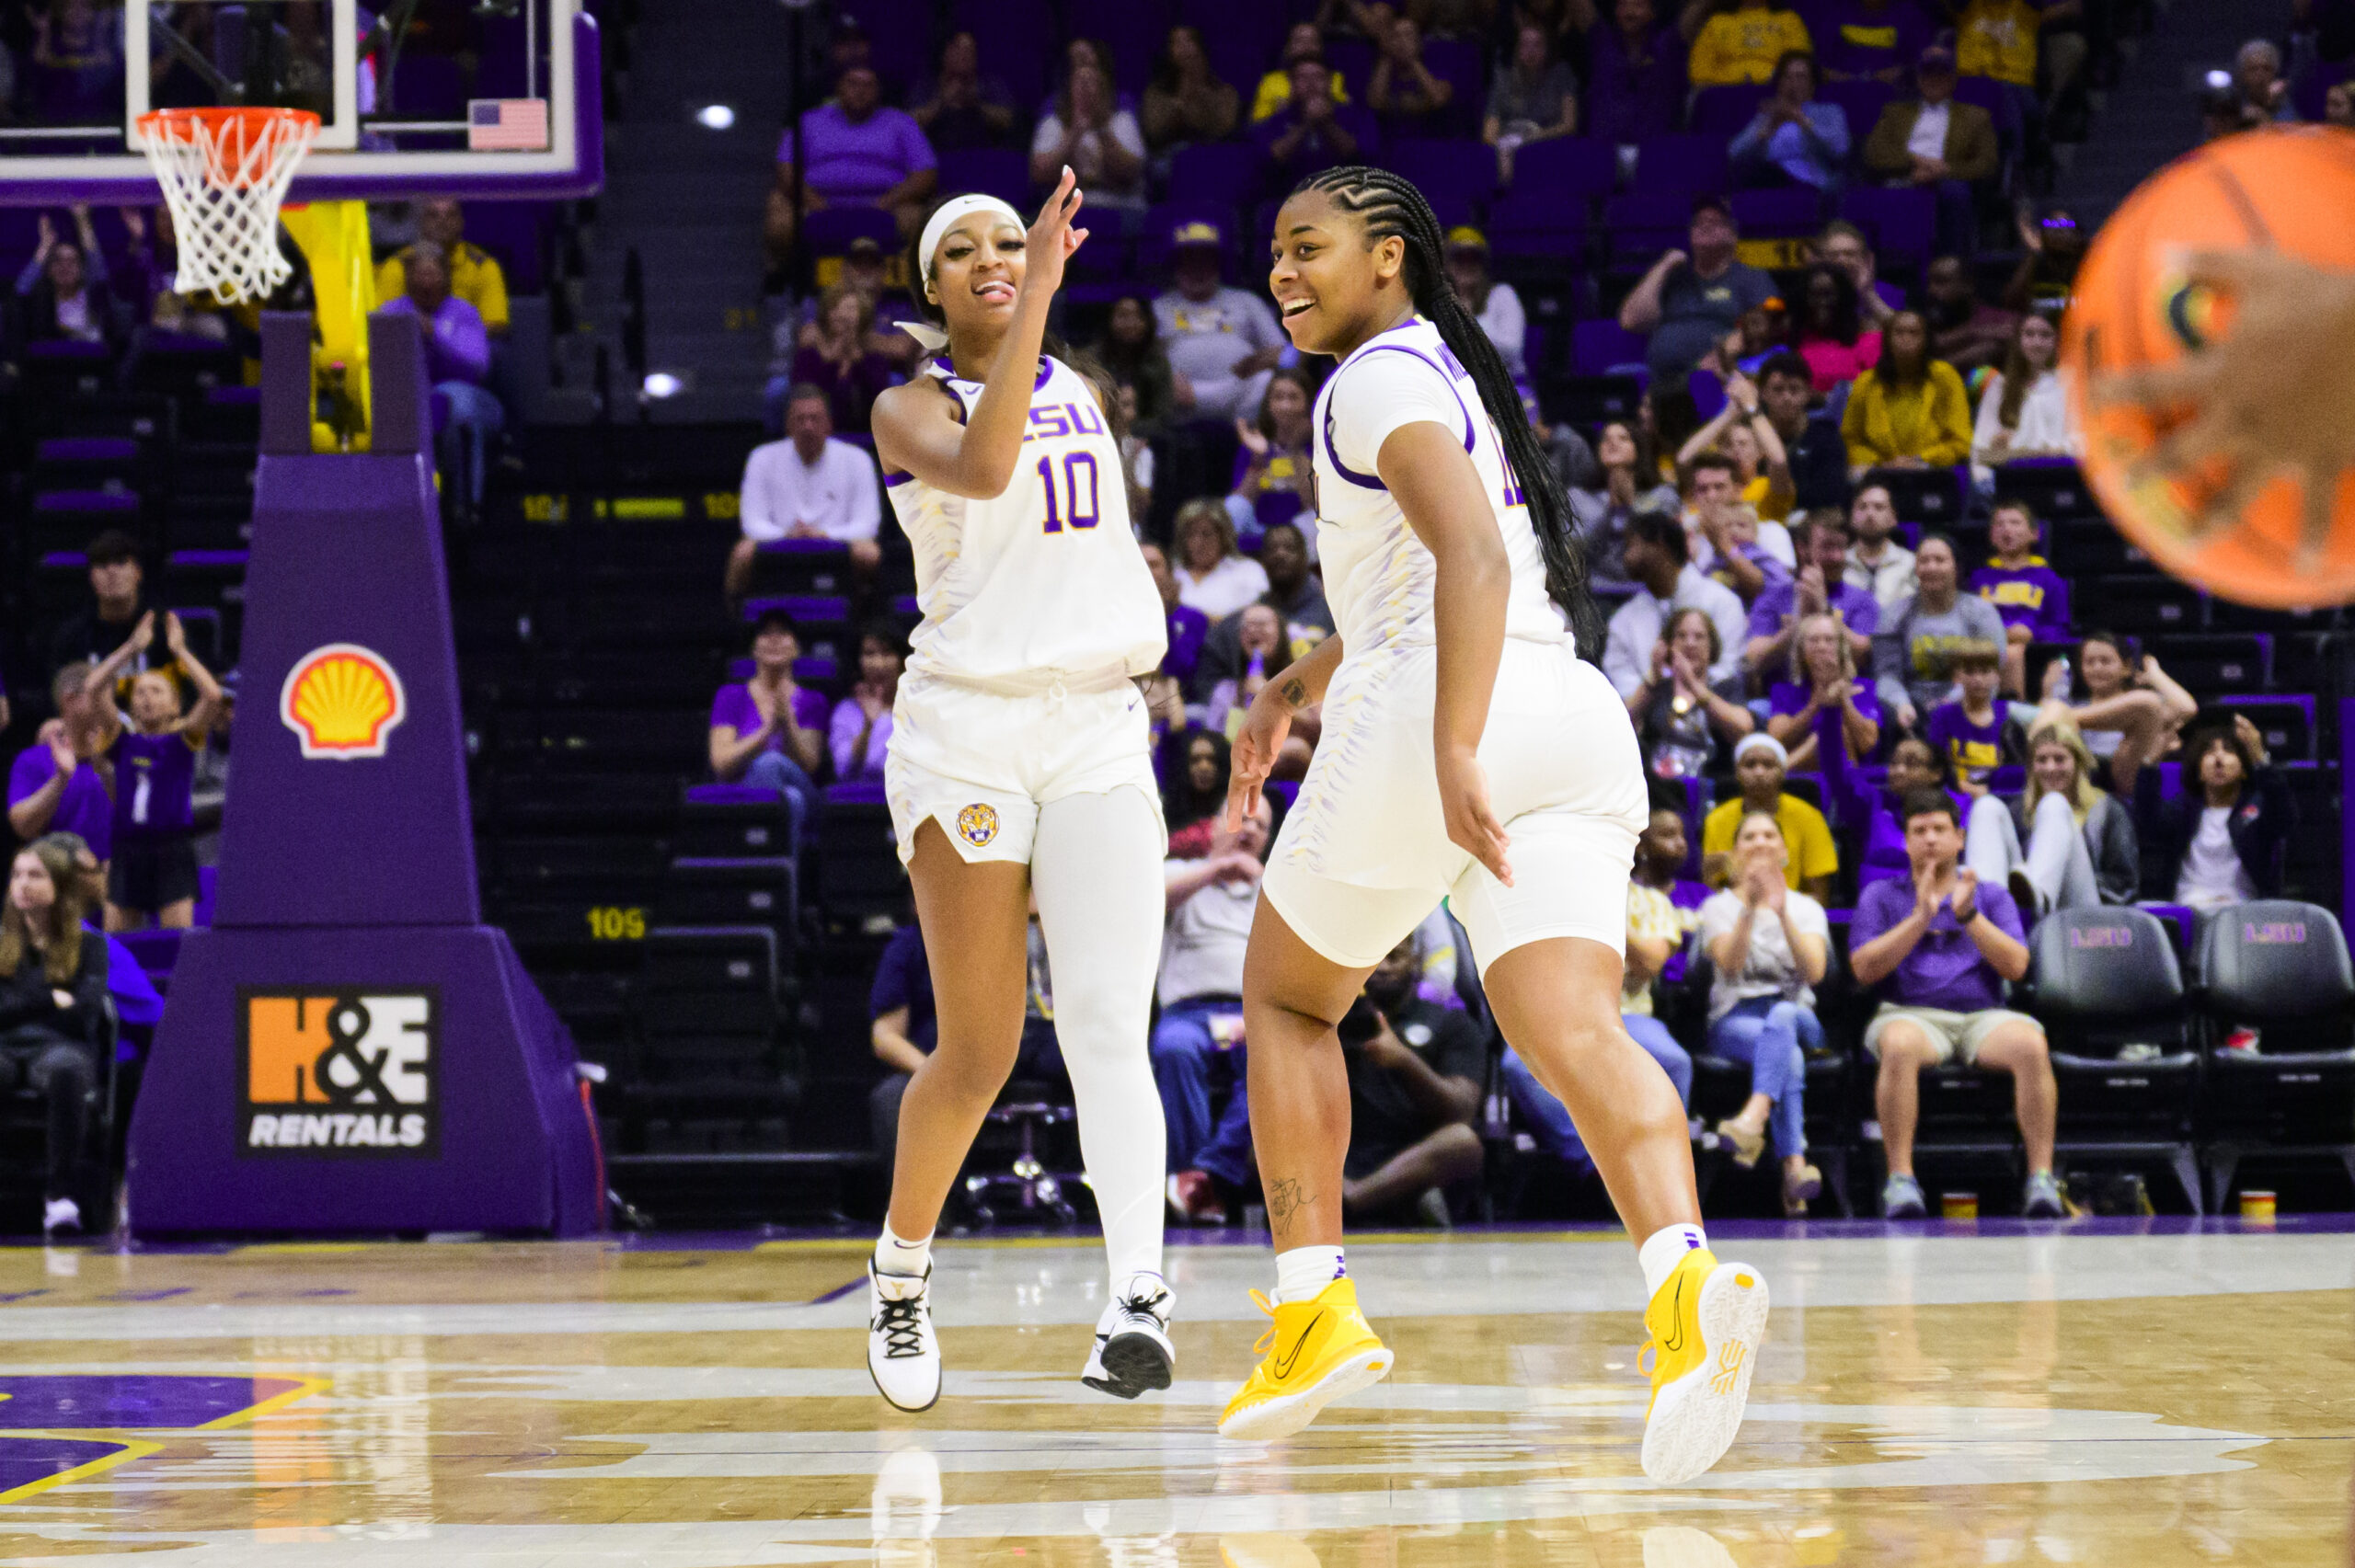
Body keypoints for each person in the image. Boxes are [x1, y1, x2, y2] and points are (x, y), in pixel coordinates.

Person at [1218, 164, 1765, 1481]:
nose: (1284, 274)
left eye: (1310, 248)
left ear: (1390, 253)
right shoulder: (1443, 372)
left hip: (1448, 708)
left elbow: (1460, 561)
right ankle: (1684, 1288)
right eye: (1276, 253)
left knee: (1290, 1000)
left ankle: (1312, 1308)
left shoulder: (1371, 380)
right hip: (1571, 712)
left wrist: (1451, 744)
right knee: (1573, 1029)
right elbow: (1437, 571)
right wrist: (1295, 681)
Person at [861, 177, 1177, 1411]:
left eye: (1014, 240)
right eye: (969, 249)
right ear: (930, 287)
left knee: (1106, 1021)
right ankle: (900, 1275)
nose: (997, 257)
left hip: (1096, 719)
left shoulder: (1082, 391)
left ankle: (1136, 1300)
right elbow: (989, 471)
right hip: (970, 733)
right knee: (982, 1049)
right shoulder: (905, 406)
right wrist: (1043, 285)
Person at [1849, 790, 2062, 1220]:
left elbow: (2017, 966)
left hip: (1982, 1016)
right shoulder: (1880, 895)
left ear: (1959, 837)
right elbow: (1863, 970)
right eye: (1919, 831)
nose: (1929, 839)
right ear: (1906, 841)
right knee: (1899, 1043)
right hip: (1908, 1014)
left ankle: (2041, 1178)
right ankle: (1901, 1181)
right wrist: (1919, 919)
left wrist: (1969, 917)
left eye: (1939, 829)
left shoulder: (1991, 895)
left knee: (2031, 1043)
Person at [1500, 807, 1698, 1168]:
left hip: (1628, 1016)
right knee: (1517, 1065)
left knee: (1675, 1061)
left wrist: (1600, 911)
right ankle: (1597, 1161)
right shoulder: (1545, 894)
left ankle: (1661, 1165)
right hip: (1560, 1015)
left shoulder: (1651, 900)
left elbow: (1651, 963)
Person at [1153, 794, 1276, 1226]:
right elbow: (1148, 904)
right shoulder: (1179, 873)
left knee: (1271, 1055)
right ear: (1214, 825)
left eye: (1259, 825)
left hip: (1250, 1014)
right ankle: (1194, 1183)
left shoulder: (1273, 888)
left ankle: (1205, 1176)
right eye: (1240, 818)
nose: (1248, 830)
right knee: (1176, 1050)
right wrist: (1216, 871)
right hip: (1188, 1014)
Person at [1699, 812, 1827, 1215]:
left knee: (1785, 1017)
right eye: (1749, 837)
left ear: (1785, 852)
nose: (1760, 842)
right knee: (1783, 1052)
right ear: (1735, 853)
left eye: (1770, 835)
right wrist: (1750, 909)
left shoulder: (1807, 908)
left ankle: (1752, 1119)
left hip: (1798, 1015)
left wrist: (1782, 910)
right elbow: (1731, 965)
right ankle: (1794, 1168)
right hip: (1738, 1018)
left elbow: (1815, 973)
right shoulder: (1716, 908)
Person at [1333, 931, 1487, 1225]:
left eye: (1394, 956)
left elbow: (1461, 1112)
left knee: (1461, 1142)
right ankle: (1349, 1198)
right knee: (1264, 1141)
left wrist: (1404, 1061)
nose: (1383, 967)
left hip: (1414, 1157)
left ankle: (1350, 1201)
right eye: (1375, 958)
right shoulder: (1330, 1019)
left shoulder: (1452, 1023)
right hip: (1343, 1153)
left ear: (1415, 960)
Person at [85, 614, 220, 933]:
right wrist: (131, 648)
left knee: (176, 944)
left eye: (157, 691)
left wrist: (180, 650)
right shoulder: (122, 741)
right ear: (131, 705)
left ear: (176, 706)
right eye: (141, 692)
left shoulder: (182, 742)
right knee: (120, 947)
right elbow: (92, 688)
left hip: (171, 848)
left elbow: (212, 696)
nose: (147, 698)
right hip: (128, 848)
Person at [0, 838, 108, 1238]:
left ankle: (60, 1197)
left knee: (67, 1070)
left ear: (58, 886)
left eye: (35, 875)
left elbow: (85, 1016)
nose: (23, 884)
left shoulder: (90, 946)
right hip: (6, 1047)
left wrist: (20, 1002)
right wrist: (50, 998)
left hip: (58, 1047)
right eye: (17, 875)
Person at [1965, 718, 2138, 916]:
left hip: (2084, 915)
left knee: (2054, 804)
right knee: (1986, 806)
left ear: (2078, 763)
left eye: (2059, 759)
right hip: (2017, 913)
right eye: (2041, 760)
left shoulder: (2108, 810)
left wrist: (2060, 872)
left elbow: (2125, 886)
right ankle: (1987, 911)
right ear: (2031, 767)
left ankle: (2039, 897)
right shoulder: (2017, 810)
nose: (2050, 768)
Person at [726, 384, 885, 598]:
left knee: (870, 553)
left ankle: (867, 622)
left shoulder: (857, 460)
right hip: (781, 541)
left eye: (815, 418)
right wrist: (787, 535)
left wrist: (823, 535)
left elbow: (867, 526)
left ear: (829, 423)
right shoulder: (762, 458)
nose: (807, 426)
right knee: (742, 552)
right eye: (800, 419)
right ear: (788, 425)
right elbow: (751, 524)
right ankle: (742, 623)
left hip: (835, 543)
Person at [379, 241, 502, 514]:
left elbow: (478, 367)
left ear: (446, 278)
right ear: (408, 278)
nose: (426, 282)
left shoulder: (465, 313)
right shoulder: (390, 312)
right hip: (407, 396)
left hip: (468, 396)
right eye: (420, 274)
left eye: (433, 273)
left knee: (453, 404)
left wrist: (435, 335)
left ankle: (464, 503)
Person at [769, 63, 939, 258]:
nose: (860, 91)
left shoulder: (902, 123)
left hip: (888, 205)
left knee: (919, 219)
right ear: (838, 88)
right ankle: (781, 281)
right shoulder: (808, 121)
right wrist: (815, 203)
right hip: (816, 203)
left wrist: (887, 202)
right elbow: (785, 169)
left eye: (868, 85)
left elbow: (926, 174)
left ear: (879, 91)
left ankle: (907, 285)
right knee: (780, 213)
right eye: (853, 83)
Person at [2140, 715, 2295, 912]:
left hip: (2242, 913)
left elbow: (2284, 815)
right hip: (2187, 912)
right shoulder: (2182, 811)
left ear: (2244, 770)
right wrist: (2152, 759)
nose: (2219, 759)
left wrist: (2259, 757)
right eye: (2210, 752)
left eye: (2228, 751)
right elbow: (2146, 818)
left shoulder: (2257, 812)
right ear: (2199, 770)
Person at [1620, 197, 1778, 383]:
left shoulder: (1750, 276)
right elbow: (1631, 321)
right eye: (1698, 223)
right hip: (1663, 380)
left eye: (1715, 222)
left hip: (1720, 377)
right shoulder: (1672, 277)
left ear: (1732, 235)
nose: (1705, 226)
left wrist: (1726, 349)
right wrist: (1663, 265)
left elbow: (1774, 315)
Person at [1861, 45, 1998, 257]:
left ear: (1953, 79)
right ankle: (1888, 264)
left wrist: (1944, 170)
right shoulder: (1894, 112)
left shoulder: (1977, 116)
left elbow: (1987, 163)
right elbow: (1874, 152)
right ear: (1918, 78)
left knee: (1955, 193)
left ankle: (1953, 263)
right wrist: (1916, 162)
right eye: (1928, 73)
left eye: (1941, 73)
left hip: (1948, 180)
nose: (1934, 79)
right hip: (1904, 175)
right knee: (1876, 193)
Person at [709, 608, 829, 848]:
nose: (774, 638)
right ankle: (779, 880)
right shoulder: (730, 695)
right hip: (740, 791)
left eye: (783, 633)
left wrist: (788, 725)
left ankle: (755, 848)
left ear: (796, 648)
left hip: (804, 791)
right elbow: (721, 764)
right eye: (765, 633)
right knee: (791, 801)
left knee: (770, 763)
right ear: (754, 648)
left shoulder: (812, 700)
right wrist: (766, 732)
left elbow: (810, 766)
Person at [1603, 510, 1751, 698]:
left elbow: (1727, 673)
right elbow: (1622, 688)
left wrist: (1686, 686)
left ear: (1659, 545)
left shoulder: (1723, 602)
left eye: (1631, 545)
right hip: (1646, 721)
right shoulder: (1624, 619)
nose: (1625, 557)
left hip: (1714, 717)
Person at [1872, 532, 2007, 734]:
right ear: (1916, 568)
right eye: (1924, 561)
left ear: (1956, 567)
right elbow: (1887, 676)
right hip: (1909, 711)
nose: (1931, 567)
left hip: (1967, 704)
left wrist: (1950, 704)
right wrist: (1901, 704)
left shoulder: (1981, 612)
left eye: (1940, 560)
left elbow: (1991, 672)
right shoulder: (1894, 614)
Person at [1154, 221, 1288, 424]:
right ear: (1177, 265)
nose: (1197, 269)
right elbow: (1144, 355)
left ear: (1218, 264)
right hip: (1180, 396)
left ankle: (1247, 438)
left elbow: (1284, 352)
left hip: (1241, 395)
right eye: (1190, 260)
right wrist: (1163, 378)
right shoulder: (1158, 307)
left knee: (1267, 379)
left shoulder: (1247, 300)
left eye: (1205, 261)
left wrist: (1258, 361)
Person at [2038, 629, 2196, 796]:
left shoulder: (2141, 708)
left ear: (2126, 667)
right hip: (2083, 783)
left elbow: (2186, 708)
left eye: (2105, 661)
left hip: (2128, 782)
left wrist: (2155, 675)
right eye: (2089, 662)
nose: (2097, 668)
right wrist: (2048, 692)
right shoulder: (2075, 706)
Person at [1191, 521, 1336, 701]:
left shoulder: (1332, 614)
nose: (1280, 554)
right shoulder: (1246, 619)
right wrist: (1232, 693)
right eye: (1272, 549)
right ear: (1261, 560)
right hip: (1253, 712)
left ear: (1305, 557)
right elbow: (1208, 676)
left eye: (1289, 548)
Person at [1700, 732, 1839, 898]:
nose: (1759, 772)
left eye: (1768, 765)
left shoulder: (1810, 817)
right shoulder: (1716, 820)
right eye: (1750, 765)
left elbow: (1819, 895)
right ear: (1737, 772)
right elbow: (1710, 886)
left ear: (1782, 772)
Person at [1746, 510, 1878, 678]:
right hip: (1783, 696)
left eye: (1841, 547)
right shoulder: (1774, 597)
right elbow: (1753, 659)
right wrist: (1797, 625)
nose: (1837, 557)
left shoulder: (1862, 600)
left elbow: (1863, 655)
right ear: (1802, 548)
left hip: (1845, 694)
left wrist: (1824, 610)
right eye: (1827, 547)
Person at [1842, 310, 1972, 477]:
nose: (1906, 339)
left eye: (1914, 333)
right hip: (1878, 473)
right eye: (1899, 332)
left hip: (1931, 472)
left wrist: (1920, 460)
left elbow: (1961, 441)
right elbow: (1850, 440)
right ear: (1887, 339)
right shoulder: (1866, 382)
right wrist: (1881, 463)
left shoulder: (1945, 376)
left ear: (1926, 340)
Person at [1628, 606, 1754, 779]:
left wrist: (1693, 684)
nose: (1690, 643)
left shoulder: (1726, 686)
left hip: (1713, 785)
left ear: (1712, 646)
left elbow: (1744, 727)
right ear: (1668, 644)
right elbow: (1623, 723)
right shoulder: (1656, 689)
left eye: (1699, 636)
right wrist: (1652, 679)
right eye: (1681, 636)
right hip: (1660, 789)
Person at [7, 668, 115, 869]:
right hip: (57, 877)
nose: (109, 707)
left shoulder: (122, 753)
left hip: (118, 879)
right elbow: (22, 827)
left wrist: (106, 769)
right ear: (70, 700)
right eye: (100, 697)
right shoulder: (33, 759)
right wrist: (61, 779)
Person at [47, 530, 175, 686]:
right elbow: (65, 700)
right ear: (91, 578)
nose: (112, 572)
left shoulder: (165, 631)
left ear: (138, 573)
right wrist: (131, 647)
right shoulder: (71, 638)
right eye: (102, 565)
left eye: (121, 562)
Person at [1969, 500, 2070, 697]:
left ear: (2034, 533)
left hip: (2033, 653)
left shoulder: (2049, 579)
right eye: (1999, 524)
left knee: (2014, 653)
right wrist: (2002, 634)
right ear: (1991, 536)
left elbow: (2059, 628)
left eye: (2015, 523)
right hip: (1986, 649)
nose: (2007, 529)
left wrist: (2033, 634)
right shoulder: (1979, 578)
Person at [1970, 310, 2078, 491]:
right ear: (2018, 340)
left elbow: (2083, 440)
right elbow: (1980, 446)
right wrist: (1986, 480)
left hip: (2063, 479)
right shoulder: (1999, 387)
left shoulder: (2071, 383)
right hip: (2014, 483)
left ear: (2058, 340)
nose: (2036, 342)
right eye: (2029, 334)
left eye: (2045, 335)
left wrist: (2057, 451)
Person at [1570, 420, 1682, 595]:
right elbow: (1578, 553)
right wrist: (1610, 511)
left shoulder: (1662, 495)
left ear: (1638, 448)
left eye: (1623, 438)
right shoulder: (1578, 498)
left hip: (1650, 591)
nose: (1613, 443)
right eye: (1606, 439)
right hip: (1597, 591)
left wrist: (1630, 504)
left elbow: (1663, 543)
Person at [376, 198, 510, 338]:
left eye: (450, 215)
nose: (442, 221)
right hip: (410, 343)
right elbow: (383, 321)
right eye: (433, 215)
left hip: (465, 347)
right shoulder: (399, 265)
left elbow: (496, 324)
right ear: (421, 223)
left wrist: (445, 335)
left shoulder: (484, 266)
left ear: (461, 222)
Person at [1765, 610, 1880, 770]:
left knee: (1832, 731)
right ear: (1801, 649)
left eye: (1829, 640)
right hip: (1800, 777)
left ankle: (1777, 771)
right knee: (1827, 731)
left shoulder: (1862, 688)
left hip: (1853, 775)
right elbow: (1776, 740)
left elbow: (1867, 743)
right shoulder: (1784, 690)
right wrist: (1815, 704)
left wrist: (1844, 700)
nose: (1821, 647)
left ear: (1841, 647)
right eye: (1813, 640)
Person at [1678, 376, 1795, 532]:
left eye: (1743, 444)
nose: (1736, 450)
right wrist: (1729, 414)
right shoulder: (1706, 487)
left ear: (1760, 452)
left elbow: (1779, 461)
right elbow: (1684, 459)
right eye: (1728, 445)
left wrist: (1751, 407)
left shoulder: (1766, 487)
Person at [1031, 63, 1148, 214]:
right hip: (1068, 209)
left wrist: (1102, 130)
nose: (1086, 89)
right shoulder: (1053, 124)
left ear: (1104, 91)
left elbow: (1131, 172)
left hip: (1120, 207)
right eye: (1080, 82)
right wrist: (1075, 133)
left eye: (1093, 83)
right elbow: (1040, 174)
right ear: (1069, 90)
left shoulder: (1122, 121)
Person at [1924, 640, 2037, 795]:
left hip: (2000, 799)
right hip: (1952, 798)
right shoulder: (1942, 716)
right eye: (1970, 672)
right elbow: (1936, 767)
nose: (1978, 679)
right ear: (1957, 676)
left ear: (1997, 675)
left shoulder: (2009, 714)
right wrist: (1969, 789)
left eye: (1985, 671)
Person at [1729, 50, 1850, 191]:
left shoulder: (1829, 112)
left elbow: (1841, 149)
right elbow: (1734, 153)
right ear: (1779, 83)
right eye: (1787, 77)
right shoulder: (1767, 115)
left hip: (1813, 188)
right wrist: (1767, 128)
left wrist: (1803, 120)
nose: (1793, 83)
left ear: (1812, 84)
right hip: (1767, 184)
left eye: (1801, 77)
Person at [867, 917, 938, 1155]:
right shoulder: (907, 946)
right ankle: (936, 1194)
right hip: (934, 1067)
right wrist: (936, 1075)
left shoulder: (1003, 935)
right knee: (893, 1098)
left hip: (1012, 1057)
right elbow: (885, 1037)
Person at [790, 283, 900, 437]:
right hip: (818, 434)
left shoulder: (874, 356)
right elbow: (804, 395)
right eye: (835, 308)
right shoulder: (809, 354)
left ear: (863, 316)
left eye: (850, 309)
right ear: (826, 314)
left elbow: (878, 400)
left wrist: (857, 361)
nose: (842, 315)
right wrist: (831, 361)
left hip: (868, 432)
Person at [1227, 371, 1321, 544]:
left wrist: (1296, 447)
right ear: (1268, 404)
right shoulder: (1254, 444)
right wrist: (1259, 457)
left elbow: (1313, 505)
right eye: (1278, 397)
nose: (1285, 406)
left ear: (1307, 403)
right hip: (1260, 524)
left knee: (1313, 522)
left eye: (1293, 398)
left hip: (1298, 529)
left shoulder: (1318, 447)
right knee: (1232, 507)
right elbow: (1241, 501)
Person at [1255, 56, 1380, 184]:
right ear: (1292, 84)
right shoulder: (1277, 119)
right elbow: (1271, 160)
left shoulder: (1354, 115)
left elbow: (1356, 156)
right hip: (1289, 196)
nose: (1311, 84)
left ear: (1330, 81)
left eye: (1318, 76)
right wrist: (1306, 124)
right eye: (1302, 77)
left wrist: (1327, 124)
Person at [1581, 0, 1688, 144]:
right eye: (1622, 5)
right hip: (1603, 153)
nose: (1629, 12)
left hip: (1657, 154)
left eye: (1638, 5)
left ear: (1653, 13)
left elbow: (1699, 8)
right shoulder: (1602, 43)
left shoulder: (1669, 47)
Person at [1752, 350, 1849, 509]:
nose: (1787, 398)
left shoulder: (1827, 437)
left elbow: (1831, 493)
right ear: (1762, 393)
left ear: (1808, 393)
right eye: (1778, 389)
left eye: (1794, 389)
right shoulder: (1749, 436)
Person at [1485, 19, 1579, 181]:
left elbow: (1569, 125)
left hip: (1549, 149)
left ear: (1547, 49)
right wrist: (1505, 147)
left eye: (1537, 45)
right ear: (1517, 49)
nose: (1531, 51)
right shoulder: (1503, 79)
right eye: (1525, 44)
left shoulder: (1562, 74)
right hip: (1508, 151)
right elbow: (1489, 133)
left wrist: (1533, 138)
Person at [16, 207, 117, 348]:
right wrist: (44, 247)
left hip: (90, 362)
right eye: (58, 260)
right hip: (51, 363)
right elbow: (21, 291)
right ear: (49, 269)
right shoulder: (42, 301)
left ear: (82, 269)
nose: (65, 267)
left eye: (72, 261)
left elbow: (97, 267)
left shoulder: (93, 294)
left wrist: (82, 221)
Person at [909, 30, 1018, 153]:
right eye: (958, 49)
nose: (964, 55)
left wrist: (976, 103)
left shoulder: (989, 84)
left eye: (969, 50)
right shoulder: (927, 85)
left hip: (982, 157)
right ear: (946, 53)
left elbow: (1007, 121)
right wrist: (942, 102)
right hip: (936, 157)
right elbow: (911, 124)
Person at [1141, 24, 1239, 158]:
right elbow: (1153, 131)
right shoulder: (1157, 92)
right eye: (1177, 43)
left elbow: (1226, 128)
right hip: (1169, 157)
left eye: (1189, 41)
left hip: (1213, 154)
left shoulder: (1223, 91)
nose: (1184, 49)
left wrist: (1203, 96)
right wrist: (1179, 105)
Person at [831, 622, 906, 789]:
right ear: (858, 662)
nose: (879, 664)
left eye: (887, 653)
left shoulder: (919, 707)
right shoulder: (846, 711)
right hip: (859, 803)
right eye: (870, 654)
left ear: (901, 660)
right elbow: (843, 771)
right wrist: (867, 726)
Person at [1442, 229, 1524, 379]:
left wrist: (1468, 318)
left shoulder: (1502, 295)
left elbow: (1511, 349)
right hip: (1456, 384)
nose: (1467, 265)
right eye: (1459, 258)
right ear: (1447, 264)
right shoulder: (1439, 304)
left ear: (1484, 263)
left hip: (1506, 384)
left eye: (1474, 258)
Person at [1171, 498, 1272, 619]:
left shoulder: (1248, 570)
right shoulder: (1173, 573)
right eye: (1191, 535)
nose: (1198, 542)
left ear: (1223, 537)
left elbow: (1256, 616)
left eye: (1206, 534)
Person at [1790, 263, 1882, 395]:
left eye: (1828, 294)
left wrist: (1823, 398)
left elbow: (1877, 391)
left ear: (1843, 297)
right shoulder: (1794, 336)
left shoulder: (1868, 339)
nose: (1822, 302)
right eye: (1814, 295)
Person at [1687, 0, 1813, 86]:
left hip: (1775, 93)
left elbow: (1801, 66)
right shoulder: (1717, 22)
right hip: (1723, 94)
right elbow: (1699, 74)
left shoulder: (1789, 20)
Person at [1250, 22, 1354, 121]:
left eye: (1313, 41)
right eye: (1299, 40)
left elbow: (1349, 118)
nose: (1307, 46)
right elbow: (1256, 127)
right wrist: (1280, 115)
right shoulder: (1271, 82)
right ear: (1288, 49)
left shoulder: (1335, 78)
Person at [1842, 480, 1915, 618]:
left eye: (1879, 507)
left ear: (1893, 518)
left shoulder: (1911, 563)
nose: (1870, 514)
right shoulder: (1838, 563)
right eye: (1862, 507)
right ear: (1851, 517)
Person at [1817, 0, 1936, 84]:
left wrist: (1902, 73)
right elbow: (1818, 64)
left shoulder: (1910, 15)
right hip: (1841, 93)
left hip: (1894, 95)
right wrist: (1833, 76)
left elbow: (1924, 62)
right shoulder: (1835, 11)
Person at [1813, 218, 1903, 325]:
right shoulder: (1810, 294)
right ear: (1820, 261)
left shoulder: (1889, 292)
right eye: (1833, 255)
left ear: (1866, 259)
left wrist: (1868, 294)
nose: (1841, 260)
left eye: (1849, 254)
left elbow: (1903, 334)